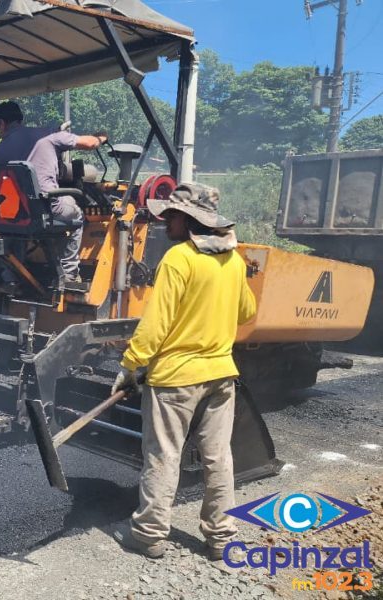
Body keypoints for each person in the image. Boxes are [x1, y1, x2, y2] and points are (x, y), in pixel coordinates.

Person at [110, 184, 257, 561]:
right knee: (218, 458)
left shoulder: (179, 259)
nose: (165, 221)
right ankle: (221, 537)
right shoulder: (234, 260)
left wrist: (130, 364)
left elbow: (156, 324)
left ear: (189, 220)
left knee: (163, 455)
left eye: (172, 215)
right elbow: (247, 312)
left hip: (175, 380)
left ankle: (149, 535)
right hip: (220, 376)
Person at [26, 129, 107, 282]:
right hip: (49, 205)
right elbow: (90, 143)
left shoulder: (36, 147)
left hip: (31, 209)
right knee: (77, 215)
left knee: (67, 204)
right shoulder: (55, 138)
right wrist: (102, 138)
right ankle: (70, 272)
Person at [0, 101, 57, 183]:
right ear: (21, 120)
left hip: (11, 191)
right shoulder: (47, 135)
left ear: (2, 123)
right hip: (48, 190)